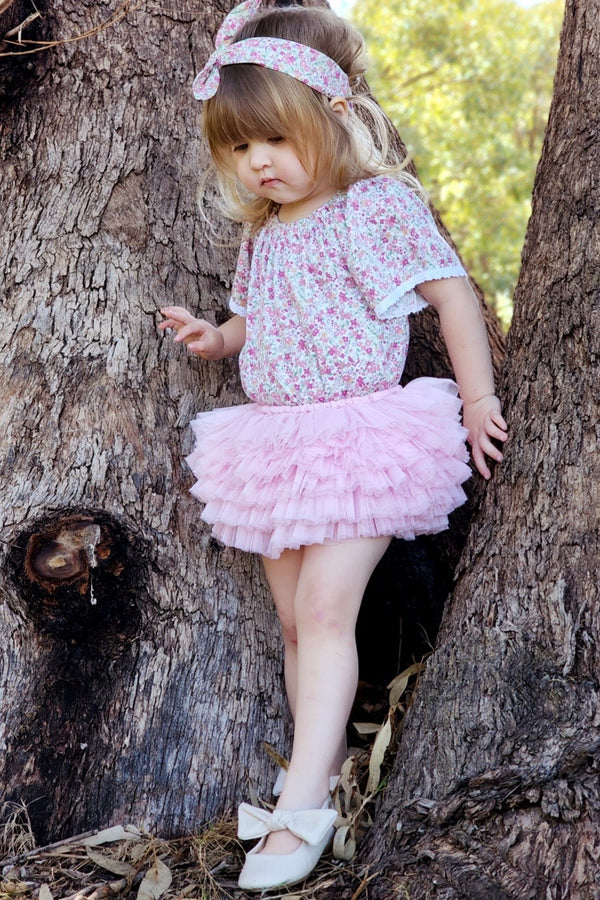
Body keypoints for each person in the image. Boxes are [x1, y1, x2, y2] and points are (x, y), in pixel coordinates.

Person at [159, 0, 508, 890]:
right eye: (238, 148)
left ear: (333, 118)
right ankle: (317, 769)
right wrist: (219, 338)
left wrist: (476, 398)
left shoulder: (372, 205)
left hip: (361, 433)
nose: (257, 162)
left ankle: (303, 805)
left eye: (273, 138)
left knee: (324, 612)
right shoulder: (263, 232)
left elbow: (453, 295)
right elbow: (258, 318)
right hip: (277, 443)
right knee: (291, 620)